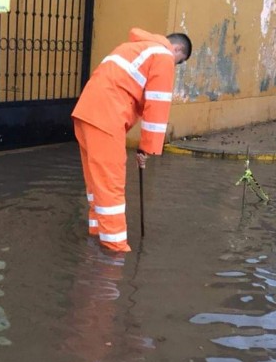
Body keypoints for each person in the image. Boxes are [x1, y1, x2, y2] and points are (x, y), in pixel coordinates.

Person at [71, 29, 192, 253]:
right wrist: (146, 149)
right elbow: (157, 106)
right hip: (106, 118)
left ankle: (97, 235)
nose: (174, 66)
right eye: (179, 62)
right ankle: (115, 251)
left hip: (86, 113)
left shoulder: (134, 47)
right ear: (177, 50)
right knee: (111, 185)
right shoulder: (163, 55)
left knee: (97, 184)